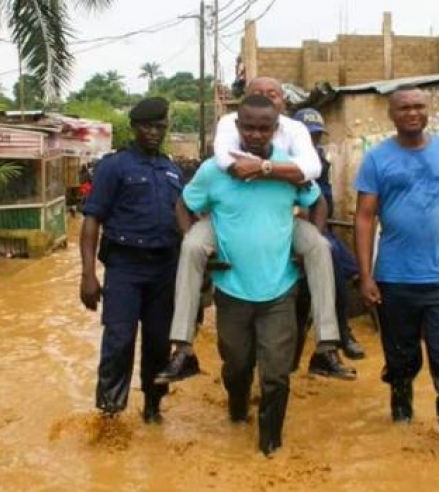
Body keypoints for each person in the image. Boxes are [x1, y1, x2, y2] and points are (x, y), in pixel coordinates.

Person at [155, 76, 355, 384]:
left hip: (284, 216)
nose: (256, 132)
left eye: (272, 94)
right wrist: (243, 168)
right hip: (227, 216)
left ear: (281, 107)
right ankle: (182, 348)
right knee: (192, 247)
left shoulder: (296, 132)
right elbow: (222, 161)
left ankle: (327, 346)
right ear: (240, 116)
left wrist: (270, 170)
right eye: (258, 94)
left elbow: (313, 182)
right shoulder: (227, 125)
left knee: (322, 247)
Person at [177, 94, 327, 456]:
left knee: (276, 373)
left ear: (276, 130)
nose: (257, 134)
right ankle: (237, 408)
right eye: (249, 127)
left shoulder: (289, 169)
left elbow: (317, 202)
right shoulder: (215, 169)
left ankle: (270, 445)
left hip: (279, 290)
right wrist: (198, 245)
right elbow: (184, 204)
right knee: (237, 364)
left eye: (265, 128)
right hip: (232, 291)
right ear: (237, 127)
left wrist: (307, 246)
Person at [353, 85, 439, 467]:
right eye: (404, 108)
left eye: (418, 106)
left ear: (428, 111)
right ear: (392, 115)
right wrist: (365, 276)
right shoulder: (377, 159)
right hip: (394, 277)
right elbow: (364, 217)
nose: (412, 113)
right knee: (402, 357)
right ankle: (401, 410)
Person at [79, 97, 183, 423]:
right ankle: (110, 414)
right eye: (148, 126)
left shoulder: (173, 170)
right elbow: (92, 219)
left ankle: (153, 407)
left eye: (160, 127)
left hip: (164, 269)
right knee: (118, 340)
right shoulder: (115, 166)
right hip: (125, 267)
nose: (155, 133)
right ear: (135, 128)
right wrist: (88, 274)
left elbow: (186, 220)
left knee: (158, 345)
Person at [292, 107, 365, 360]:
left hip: (320, 225)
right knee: (331, 256)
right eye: (308, 137)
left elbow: (324, 202)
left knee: (348, 266)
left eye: (316, 137)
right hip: (290, 228)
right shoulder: (288, 160)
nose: (313, 142)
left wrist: (316, 226)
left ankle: (341, 329)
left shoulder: (320, 162)